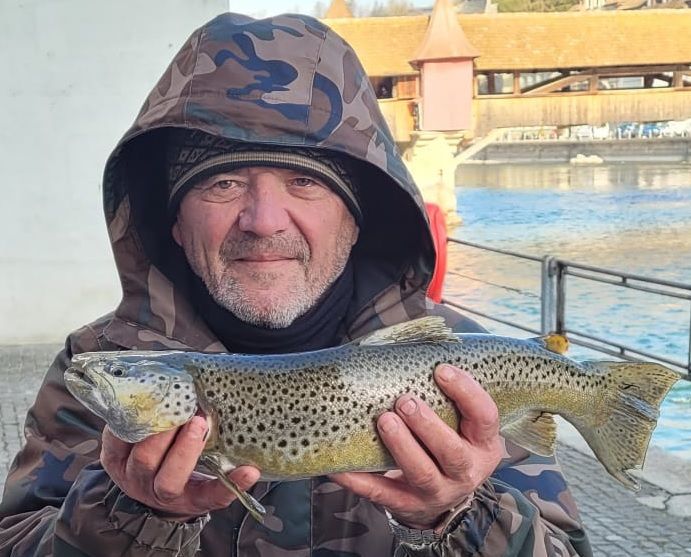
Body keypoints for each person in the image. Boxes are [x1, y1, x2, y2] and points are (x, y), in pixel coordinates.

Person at [0, 12, 592, 556]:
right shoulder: (102, 364)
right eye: (224, 184)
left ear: (356, 219)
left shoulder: (462, 363)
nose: (263, 221)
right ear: (175, 223)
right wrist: (128, 517)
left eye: (304, 183)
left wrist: (461, 516)